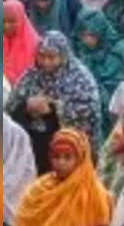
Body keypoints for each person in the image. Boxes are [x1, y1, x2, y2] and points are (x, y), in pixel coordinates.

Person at [6, 32, 104, 170]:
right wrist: (26, 106)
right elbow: (10, 108)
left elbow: (86, 116)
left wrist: (52, 109)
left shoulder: (80, 79)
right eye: (42, 56)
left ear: (63, 56)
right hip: (32, 151)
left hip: (65, 155)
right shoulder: (32, 75)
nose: (46, 62)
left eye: (52, 57)